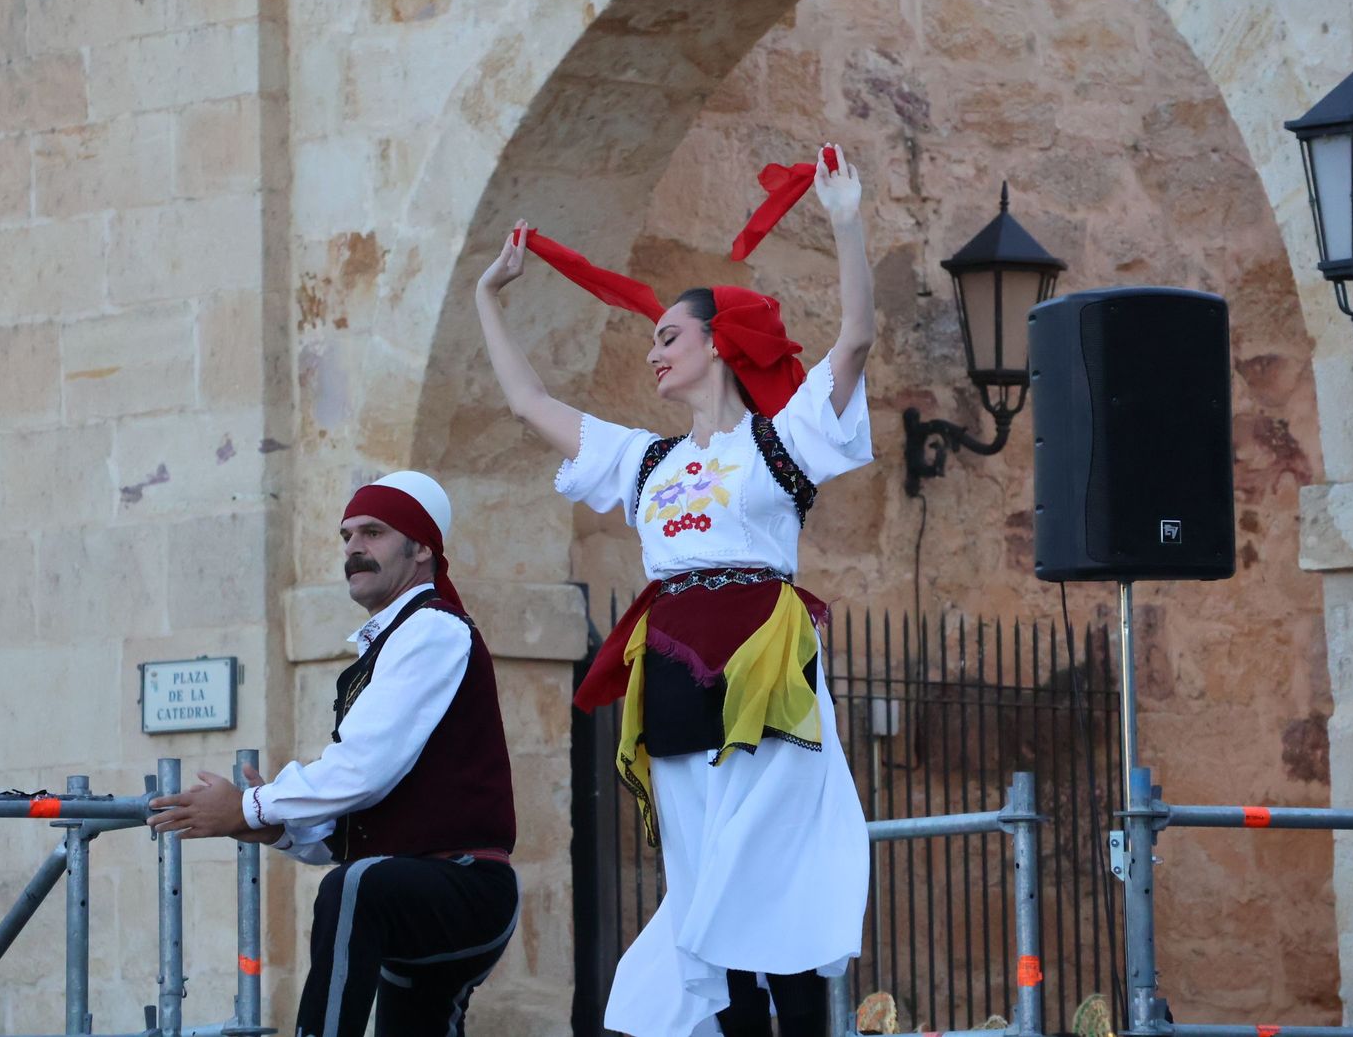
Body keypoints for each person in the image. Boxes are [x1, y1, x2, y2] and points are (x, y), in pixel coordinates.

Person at [473, 144, 875, 1036]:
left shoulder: (782, 441)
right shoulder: (647, 460)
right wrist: (485, 299)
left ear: (717, 345)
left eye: (668, 337)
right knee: (703, 888)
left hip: (764, 667)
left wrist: (845, 223)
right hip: (675, 673)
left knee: (764, 883)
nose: (654, 352)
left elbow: (854, 339)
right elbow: (531, 405)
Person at [147, 471, 519, 1037]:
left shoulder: (431, 631)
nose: (353, 549)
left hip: (463, 885)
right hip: (418, 888)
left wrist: (251, 806)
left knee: (354, 888)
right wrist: (276, 830)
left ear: (422, 548)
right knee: (362, 889)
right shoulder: (393, 643)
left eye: (372, 533)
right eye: (346, 536)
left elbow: (362, 773)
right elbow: (358, 828)